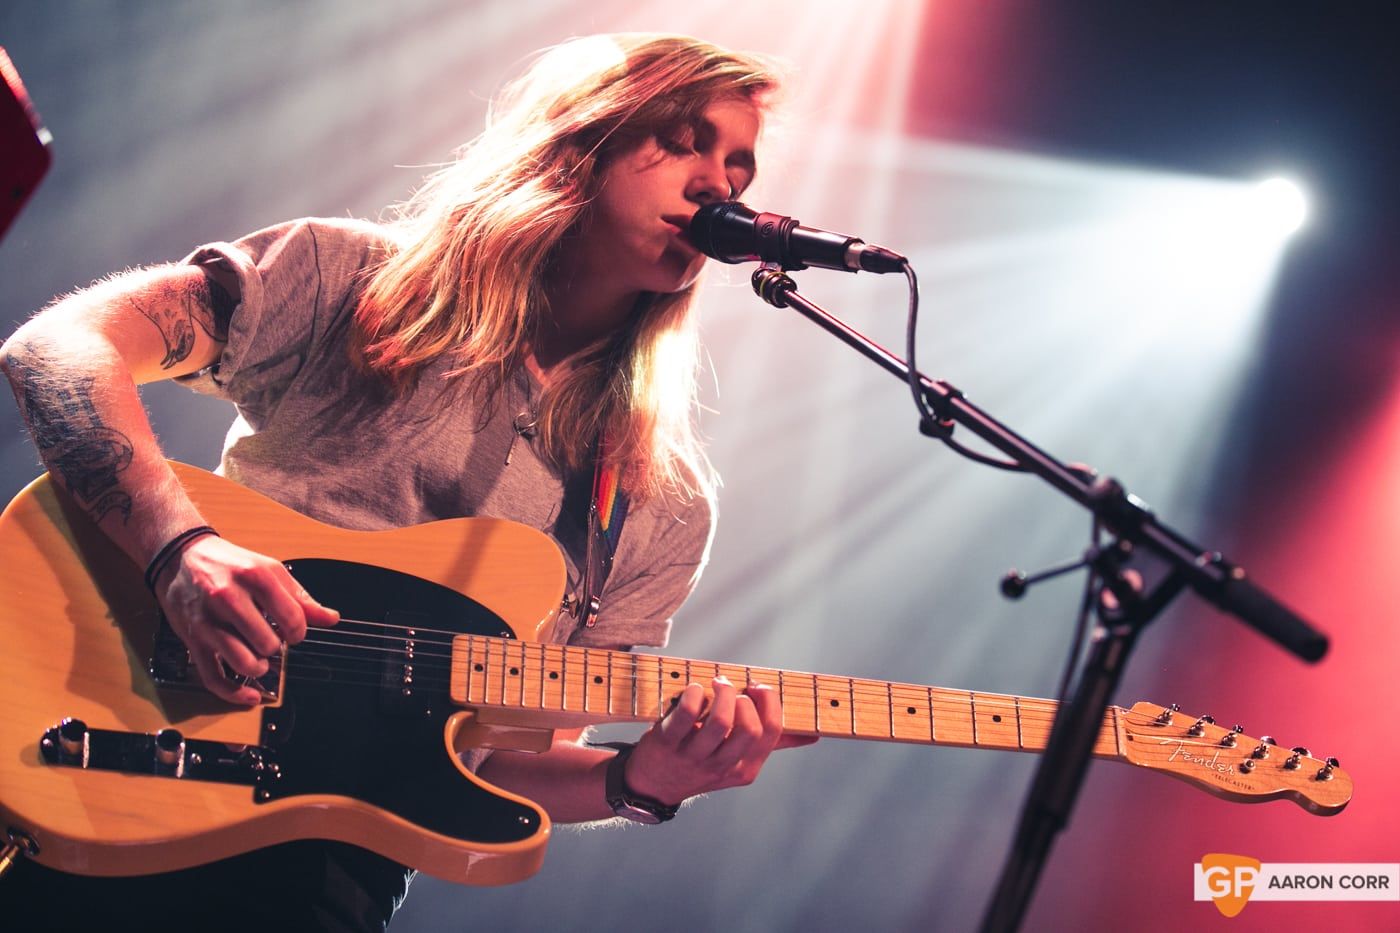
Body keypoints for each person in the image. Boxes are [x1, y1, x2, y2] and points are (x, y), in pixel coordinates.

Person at [0, 33, 810, 931]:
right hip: (112, 755)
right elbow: (59, 347)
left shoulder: (660, 498)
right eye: (686, 139)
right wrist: (179, 552)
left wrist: (640, 782)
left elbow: (500, 758)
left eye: (739, 165)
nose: (720, 183)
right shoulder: (349, 280)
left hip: (322, 885)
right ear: (582, 139)